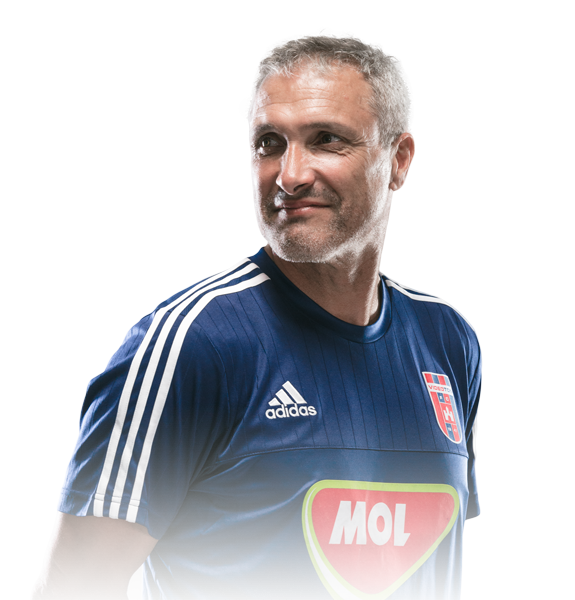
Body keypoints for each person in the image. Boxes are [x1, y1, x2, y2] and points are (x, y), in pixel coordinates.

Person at [32, 35, 481, 600]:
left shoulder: (447, 341)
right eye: (270, 143)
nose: (289, 175)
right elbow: (72, 590)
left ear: (399, 160)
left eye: (326, 140)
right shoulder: (190, 344)